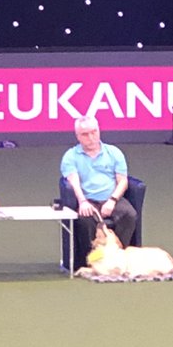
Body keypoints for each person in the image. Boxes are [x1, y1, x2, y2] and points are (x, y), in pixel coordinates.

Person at [60, 116, 136, 270]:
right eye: (85, 134)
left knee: (129, 214)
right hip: (89, 200)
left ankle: (118, 257)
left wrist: (113, 200)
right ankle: (92, 261)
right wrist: (82, 201)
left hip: (112, 197)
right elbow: (73, 182)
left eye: (94, 132)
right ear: (78, 136)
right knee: (85, 220)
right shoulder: (70, 156)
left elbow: (123, 181)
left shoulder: (114, 152)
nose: (91, 137)